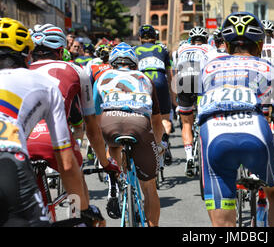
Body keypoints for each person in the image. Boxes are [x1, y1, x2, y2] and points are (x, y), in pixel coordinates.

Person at [198, 12, 274, 227]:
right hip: (255, 131)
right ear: (261, 44)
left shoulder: (207, 70)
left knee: (223, 222)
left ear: (225, 44)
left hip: (214, 135)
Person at [0, 18, 102, 227]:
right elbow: (66, 164)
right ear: (27, 56)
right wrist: (84, 215)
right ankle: (76, 214)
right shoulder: (50, 81)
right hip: (10, 157)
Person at [27, 24, 119, 222]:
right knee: (80, 203)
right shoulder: (76, 70)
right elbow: (92, 129)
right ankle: (78, 216)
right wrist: (105, 162)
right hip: (55, 141)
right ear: (61, 50)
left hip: (21, 141)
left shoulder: (19, 70)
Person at [93, 42, 166, 226]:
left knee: (113, 142)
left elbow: (93, 117)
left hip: (110, 123)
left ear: (111, 63)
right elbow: (157, 121)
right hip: (139, 124)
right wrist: (157, 146)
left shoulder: (102, 77)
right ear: (135, 64)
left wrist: (100, 154)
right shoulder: (144, 78)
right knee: (149, 186)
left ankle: (118, 177)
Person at [173, 26, 219, 177]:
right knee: (205, 118)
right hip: (200, 80)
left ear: (191, 40)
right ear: (205, 39)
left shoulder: (182, 48)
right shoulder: (209, 48)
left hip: (183, 80)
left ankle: (189, 157)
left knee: (186, 122)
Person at [135, 25, 174, 165]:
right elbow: (170, 75)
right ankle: (164, 141)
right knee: (165, 119)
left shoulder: (135, 50)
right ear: (155, 37)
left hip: (144, 82)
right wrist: (172, 95)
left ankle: (147, 145)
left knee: (146, 118)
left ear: (140, 38)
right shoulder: (163, 49)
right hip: (161, 81)